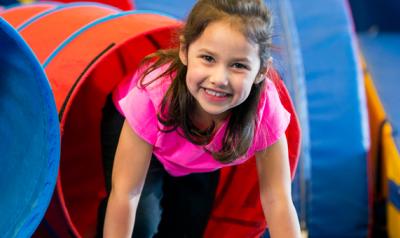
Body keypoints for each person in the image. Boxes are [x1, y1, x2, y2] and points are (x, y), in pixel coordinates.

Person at [102, 0, 301, 237]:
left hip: (200, 153)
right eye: (208, 58)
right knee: (141, 226)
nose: (219, 79)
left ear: (261, 71)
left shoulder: (265, 108)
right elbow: (126, 195)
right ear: (185, 51)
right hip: (138, 128)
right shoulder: (153, 96)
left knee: (188, 227)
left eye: (238, 65)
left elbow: (277, 199)